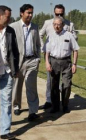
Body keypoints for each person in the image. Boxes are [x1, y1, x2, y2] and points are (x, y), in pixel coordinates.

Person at [39, 4, 77, 110]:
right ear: (54, 13)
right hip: (51, 57)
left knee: (66, 83)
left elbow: (75, 39)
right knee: (51, 82)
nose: (59, 15)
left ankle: (63, 103)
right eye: (57, 13)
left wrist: (69, 35)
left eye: (61, 13)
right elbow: (40, 35)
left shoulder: (69, 24)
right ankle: (49, 101)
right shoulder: (47, 23)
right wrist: (44, 48)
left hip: (65, 58)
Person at [10, 4, 41, 121]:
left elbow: (38, 44)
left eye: (32, 13)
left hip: (32, 60)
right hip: (19, 62)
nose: (31, 15)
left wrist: (38, 58)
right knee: (17, 86)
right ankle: (16, 106)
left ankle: (33, 111)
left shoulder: (35, 27)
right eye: (28, 12)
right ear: (21, 13)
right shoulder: (13, 26)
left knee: (31, 87)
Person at [0, 5, 19, 139]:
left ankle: (4, 131)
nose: (10, 19)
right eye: (8, 16)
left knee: (6, 101)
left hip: (7, 71)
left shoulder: (10, 31)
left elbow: (14, 52)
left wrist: (15, 69)